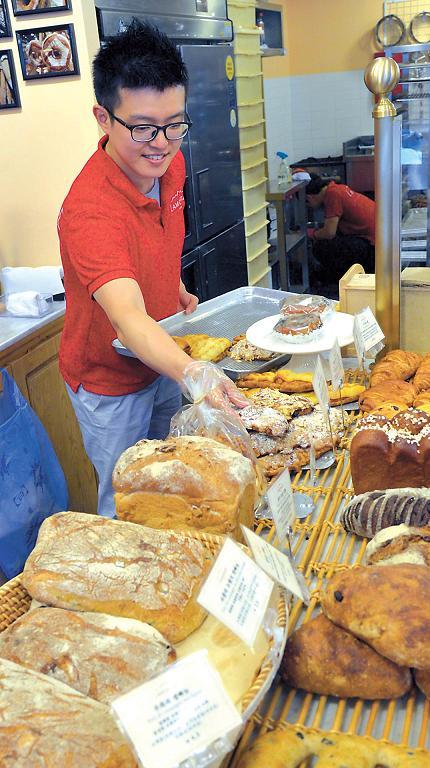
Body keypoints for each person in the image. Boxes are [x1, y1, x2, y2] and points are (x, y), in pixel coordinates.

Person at [58, 19, 245, 518]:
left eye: (175, 123)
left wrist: (172, 285)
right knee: (130, 500)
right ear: (103, 117)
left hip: (162, 353)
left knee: (178, 481)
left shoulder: (168, 164)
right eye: (142, 127)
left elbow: (155, 242)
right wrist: (194, 373)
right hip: (110, 380)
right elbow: (126, 318)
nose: (161, 142)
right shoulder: (90, 211)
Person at [305, 175, 375, 288]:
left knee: (321, 248)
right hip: (378, 236)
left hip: (372, 245)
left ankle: (336, 282)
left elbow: (329, 233)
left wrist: (311, 234)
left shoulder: (332, 195)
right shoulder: (337, 188)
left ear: (309, 197)